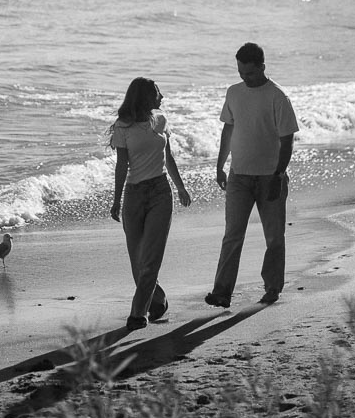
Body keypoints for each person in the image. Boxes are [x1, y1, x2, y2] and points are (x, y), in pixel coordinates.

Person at [205, 42, 298, 309]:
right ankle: (221, 292)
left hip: (271, 176)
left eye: (250, 73)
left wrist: (279, 175)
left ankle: (272, 287)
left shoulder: (278, 96)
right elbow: (228, 130)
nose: (245, 78)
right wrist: (219, 166)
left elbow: (287, 139)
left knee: (274, 236)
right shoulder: (234, 92)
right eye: (241, 73)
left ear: (262, 67)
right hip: (239, 177)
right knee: (232, 235)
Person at [110, 77, 192, 331]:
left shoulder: (161, 120)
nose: (162, 97)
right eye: (157, 92)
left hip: (160, 192)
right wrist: (116, 200)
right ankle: (157, 300)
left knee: (152, 257)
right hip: (134, 195)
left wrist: (180, 187)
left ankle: (138, 313)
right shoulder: (122, 127)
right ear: (144, 96)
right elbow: (121, 165)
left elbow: (169, 158)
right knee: (137, 261)